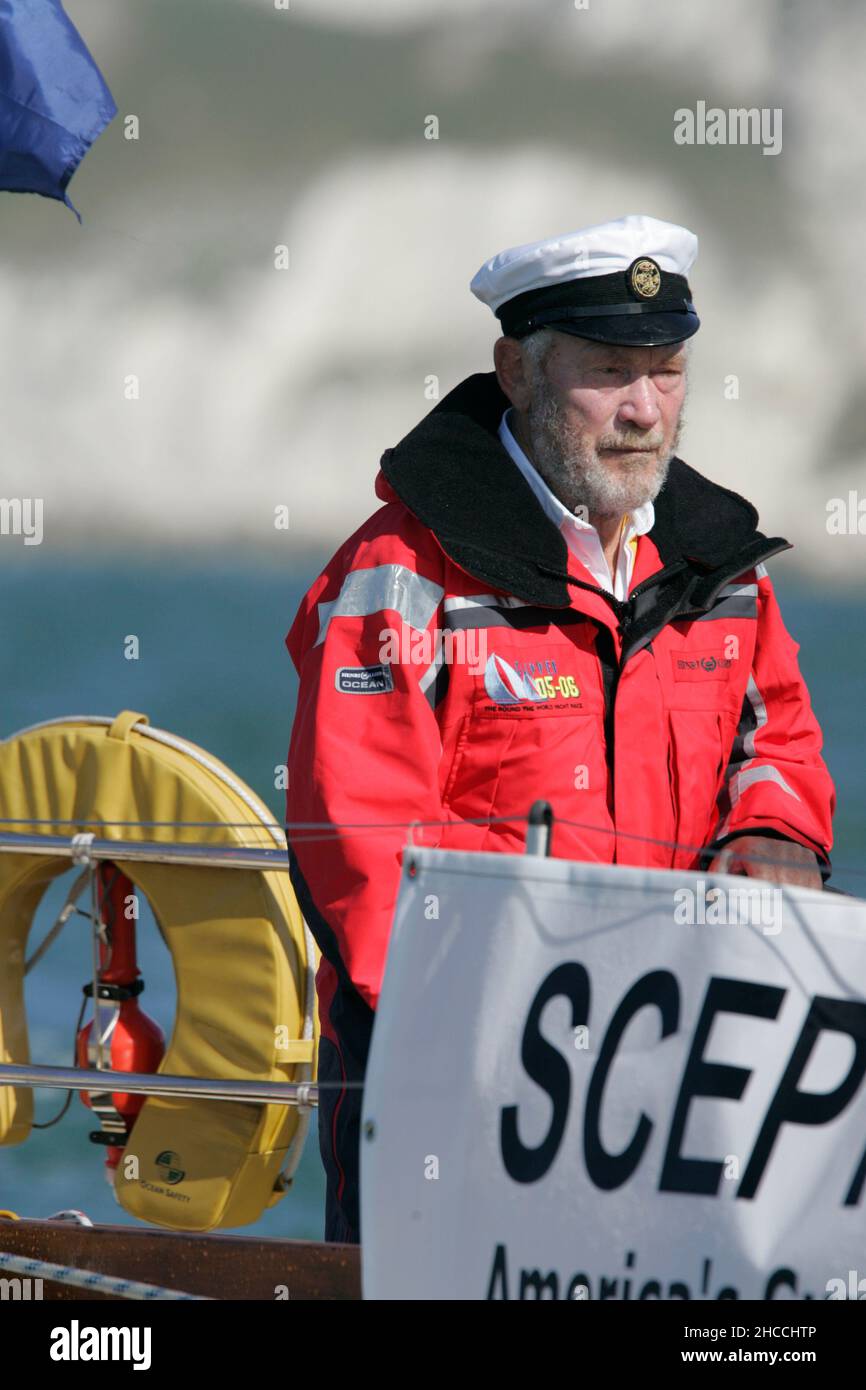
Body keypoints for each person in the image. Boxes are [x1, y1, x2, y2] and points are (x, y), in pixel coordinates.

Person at [283, 213, 835, 1246]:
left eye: (665, 371)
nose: (642, 410)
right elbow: (355, 847)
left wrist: (771, 833)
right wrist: (540, 1022)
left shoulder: (718, 565)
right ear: (517, 371)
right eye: (607, 372)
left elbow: (778, 743)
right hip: (455, 1104)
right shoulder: (398, 575)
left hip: (676, 1099)